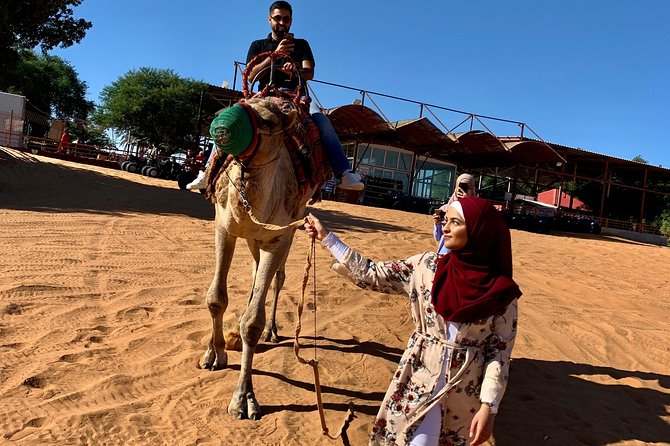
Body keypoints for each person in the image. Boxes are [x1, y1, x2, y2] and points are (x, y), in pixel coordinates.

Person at [304, 196, 521, 446]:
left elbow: (499, 354)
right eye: (446, 221)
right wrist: (327, 237)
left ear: (479, 231)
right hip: (418, 377)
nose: (445, 228)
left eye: (455, 222)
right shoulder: (426, 267)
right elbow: (372, 273)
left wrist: (488, 407)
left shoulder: (503, 293)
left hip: (464, 396)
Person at [187, 1, 364, 192]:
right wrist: (274, 56)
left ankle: (344, 173)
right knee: (230, 118)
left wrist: (295, 71)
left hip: (296, 97)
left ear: (291, 21)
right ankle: (207, 171)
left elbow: (309, 72)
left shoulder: (301, 44)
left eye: (286, 19)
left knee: (323, 123)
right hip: (264, 95)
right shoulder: (258, 45)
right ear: (269, 19)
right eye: (278, 18)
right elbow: (251, 74)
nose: (282, 22)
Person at [433, 173, 477, 255]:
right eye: (459, 186)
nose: (461, 190)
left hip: (464, 257)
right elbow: (438, 237)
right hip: (444, 255)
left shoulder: (477, 210)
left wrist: (468, 203)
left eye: (466, 187)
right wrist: (437, 225)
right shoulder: (445, 209)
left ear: (472, 189)